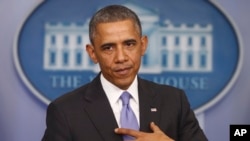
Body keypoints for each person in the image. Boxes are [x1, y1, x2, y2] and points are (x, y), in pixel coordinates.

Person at [42, 4, 208, 141]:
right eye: (108, 48)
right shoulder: (65, 111)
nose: (121, 57)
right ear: (92, 53)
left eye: (129, 44)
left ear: (143, 45)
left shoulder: (174, 101)